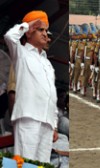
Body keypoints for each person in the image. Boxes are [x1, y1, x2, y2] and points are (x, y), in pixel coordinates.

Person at [4, 10, 58, 162]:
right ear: (29, 33)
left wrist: (54, 125)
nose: (45, 34)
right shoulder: (21, 54)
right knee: (25, 163)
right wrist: (28, 25)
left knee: (41, 165)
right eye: (40, 30)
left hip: (46, 122)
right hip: (28, 118)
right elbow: (10, 37)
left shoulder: (46, 62)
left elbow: (50, 95)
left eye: (46, 30)